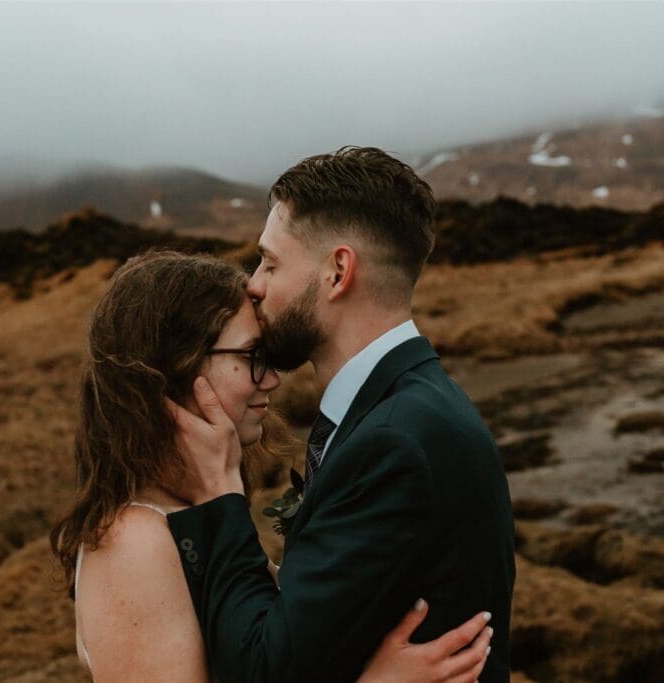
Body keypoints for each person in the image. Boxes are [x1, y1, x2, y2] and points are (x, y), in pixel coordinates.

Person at [50, 250, 494, 682]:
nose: (272, 378)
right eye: (251, 357)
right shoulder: (135, 541)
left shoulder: (194, 509)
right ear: (176, 368)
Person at [165, 147, 516, 683]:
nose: (253, 283)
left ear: (337, 271)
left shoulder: (394, 442)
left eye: (271, 262)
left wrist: (219, 495)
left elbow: (263, 669)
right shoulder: (410, 407)